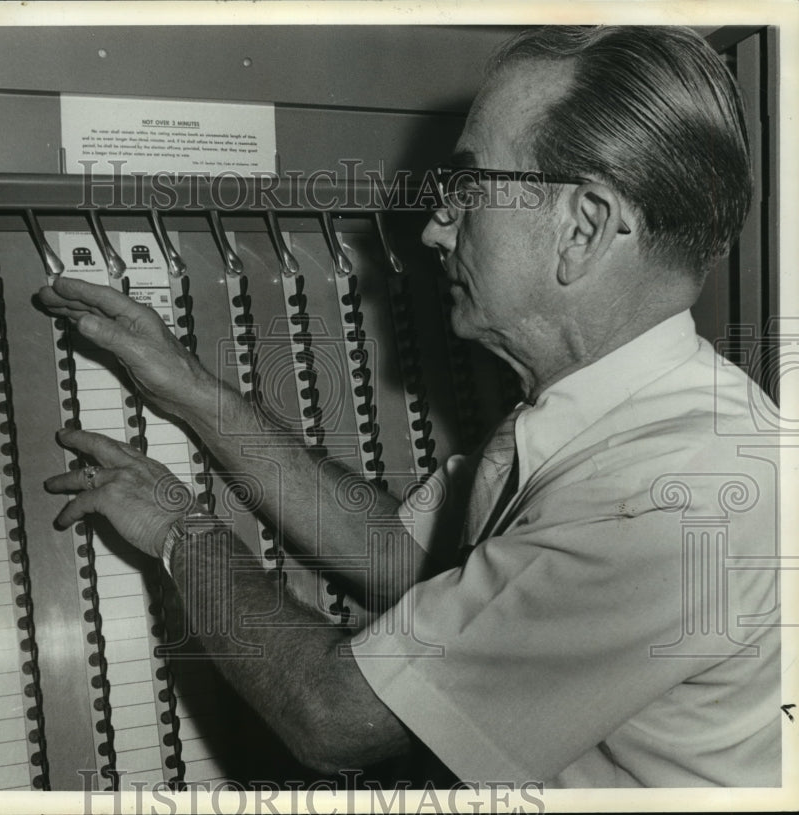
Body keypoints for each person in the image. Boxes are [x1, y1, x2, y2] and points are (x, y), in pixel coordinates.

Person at [38, 25, 781, 787]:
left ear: (583, 228)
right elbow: (400, 554)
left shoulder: (662, 495)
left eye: (467, 188)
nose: (435, 227)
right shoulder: (619, 416)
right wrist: (187, 389)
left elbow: (333, 715)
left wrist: (178, 529)